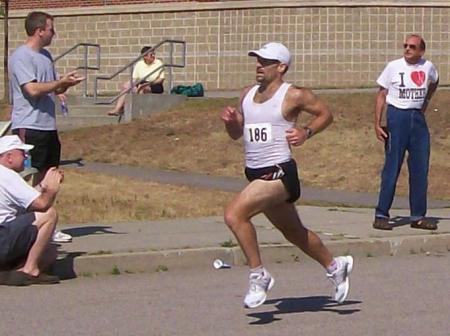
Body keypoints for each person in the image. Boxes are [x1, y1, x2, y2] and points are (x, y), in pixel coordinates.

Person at [220, 42, 353, 309]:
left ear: (281, 67)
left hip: (280, 173)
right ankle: (335, 266)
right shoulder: (246, 94)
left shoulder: (293, 95)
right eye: (257, 60)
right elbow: (238, 134)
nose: (259, 65)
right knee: (294, 233)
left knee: (234, 215)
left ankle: (259, 276)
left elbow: (325, 114)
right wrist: (232, 123)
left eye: (265, 61)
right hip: (255, 173)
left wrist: (306, 132)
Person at [9, 11, 85, 243]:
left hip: (48, 127)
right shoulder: (21, 56)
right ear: (39, 30)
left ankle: (46, 226)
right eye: (51, 29)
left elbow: (54, 88)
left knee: (49, 178)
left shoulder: (46, 56)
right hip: (28, 126)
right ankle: (19, 228)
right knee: (26, 179)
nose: (54, 33)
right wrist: (58, 83)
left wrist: (65, 84)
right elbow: (31, 89)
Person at [373, 34, 439, 231]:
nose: (408, 49)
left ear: (421, 51)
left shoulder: (428, 67)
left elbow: (434, 82)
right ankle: (382, 214)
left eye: (412, 46)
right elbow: (381, 94)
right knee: (392, 167)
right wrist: (378, 123)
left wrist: (426, 101)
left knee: (420, 168)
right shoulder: (394, 66)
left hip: (417, 118)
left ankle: (418, 216)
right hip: (397, 116)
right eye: (405, 46)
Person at [0, 135, 64, 286]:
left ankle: (9, 272)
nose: (26, 157)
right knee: (49, 214)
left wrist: (43, 186)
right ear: (9, 157)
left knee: (50, 252)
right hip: (2, 237)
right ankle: (29, 270)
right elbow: (42, 205)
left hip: (5, 235)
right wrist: (52, 189)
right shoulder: (7, 176)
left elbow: (28, 202)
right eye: (22, 153)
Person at [107, 46, 165, 116]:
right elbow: (134, 79)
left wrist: (149, 84)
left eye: (154, 54)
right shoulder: (139, 64)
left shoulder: (158, 63)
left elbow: (161, 79)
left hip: (154, 84)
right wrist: (127, 85)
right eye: (151, 54)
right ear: (145, 56)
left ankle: (138, 111)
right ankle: (117, 109)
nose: (153, 56)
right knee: (126, 87)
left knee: (142, 88)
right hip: (141, 82)